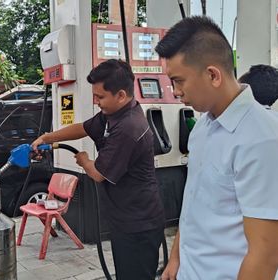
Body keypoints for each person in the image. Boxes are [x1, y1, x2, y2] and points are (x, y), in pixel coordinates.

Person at [155, 16, 278, 280]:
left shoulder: (262, 139)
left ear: (213, 75)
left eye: (178, 81)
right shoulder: (203, 127)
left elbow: (265, 253)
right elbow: (192, 205)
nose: (175, 91)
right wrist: (176, 258)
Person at [32, 59, 165, 279]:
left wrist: (84, 160)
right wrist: (47, 137)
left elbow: (98, 174)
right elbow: (83, 128)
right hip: (125, 218)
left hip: (139, 224)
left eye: (100, 97)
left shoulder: (129, 128)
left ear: (121, 95)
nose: (96, 102)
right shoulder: (112, 115)